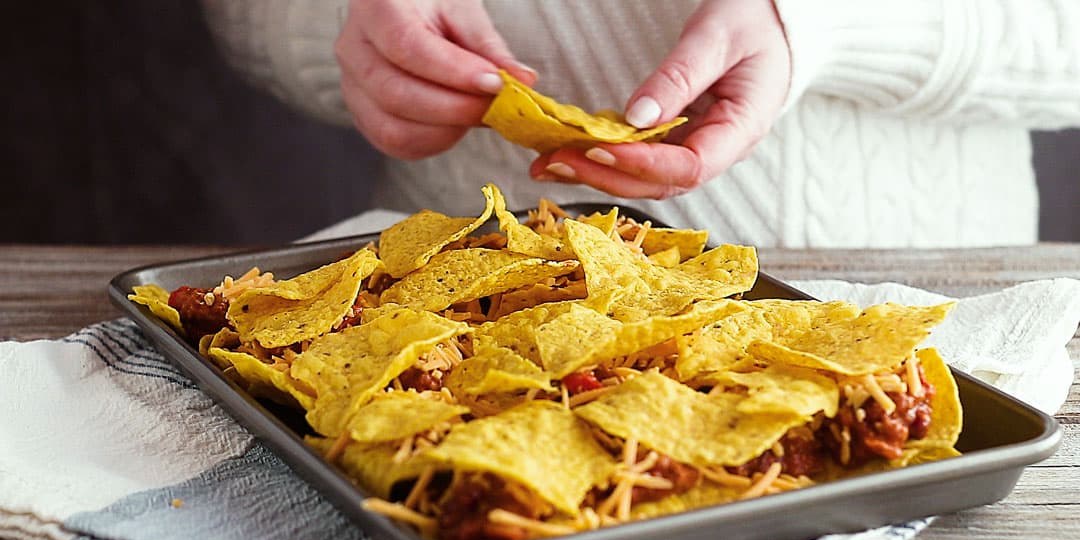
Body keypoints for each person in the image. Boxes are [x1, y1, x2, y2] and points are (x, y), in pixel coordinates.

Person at [201, 0, 1080, 247]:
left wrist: (820, 27)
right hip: (476, 318)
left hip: (937, 315)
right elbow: (244, 17)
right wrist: (353, 35)